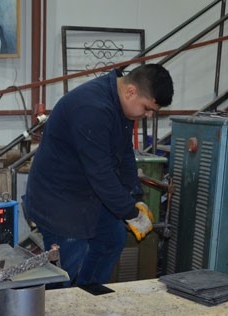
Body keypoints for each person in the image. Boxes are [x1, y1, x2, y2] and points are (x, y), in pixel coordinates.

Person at [23, 64, 174, 287]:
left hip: (87, 193)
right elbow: (101, 172)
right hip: (59, 198)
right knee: (66, 265)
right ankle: (56, 311)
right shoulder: (92, 108)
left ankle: (87, 296)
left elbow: (124, 155)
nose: (148, 115)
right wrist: (130, 212)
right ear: (131, 91)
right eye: (147, 108)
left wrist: (135, 198)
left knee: (112, 238)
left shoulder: (121, 105)